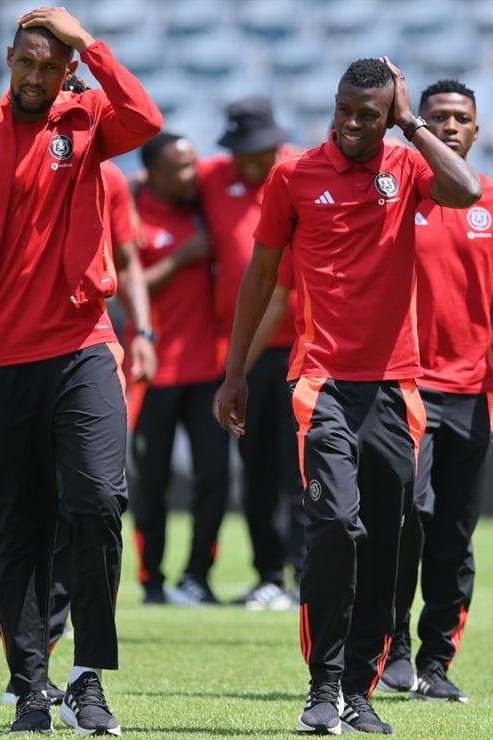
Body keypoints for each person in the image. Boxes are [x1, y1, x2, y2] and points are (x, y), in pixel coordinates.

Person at [214, 57, 481, 735]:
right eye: (344, 110)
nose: (353, 124)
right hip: (322, 380)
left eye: (369, 114)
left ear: (387, 115)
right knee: (335, 525)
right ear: (332, 106)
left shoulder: (408, 165)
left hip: (395, 385)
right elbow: (261, 275)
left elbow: (467, 190)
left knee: (389, 541)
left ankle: (359, 692)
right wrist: (236, 372)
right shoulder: (294, 175)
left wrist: (412, 122)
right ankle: (323, 685)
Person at [0, 7, 161, 735]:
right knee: (17, 524)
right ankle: (30, 686)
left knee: (96, 504)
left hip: (84, 343)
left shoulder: (88, 121)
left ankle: (88, 676)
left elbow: (144, 118)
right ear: (8, 58)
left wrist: (89, 40)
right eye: (23, 61)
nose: (32, 75)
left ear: (68, 71)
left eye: (48, 65)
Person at [378, 80, 493, 702]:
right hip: (404, 386)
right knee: (406, 520)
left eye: (461, 118)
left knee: (454, 531)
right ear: (415, 124)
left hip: (473, 392)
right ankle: (389, 646)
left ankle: (435, 663)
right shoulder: (395, 193)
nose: (449, 126)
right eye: (436, 117)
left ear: (477, 131)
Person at [199, 97, 305, 611]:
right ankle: (269, 575)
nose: (246, 160)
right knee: (256, 468)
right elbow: (161, 179)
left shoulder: (301, 172)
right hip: (249, 352)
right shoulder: (215, 178)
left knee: (304, 470)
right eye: (238, 149)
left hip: (304, 347)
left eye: (254, 150)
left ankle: (308, 572)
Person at [129, 131, 229, 607]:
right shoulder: (132, 213)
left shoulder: (202, 207)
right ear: (153, 174)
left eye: (193, 165)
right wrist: (179, 258)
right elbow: (125, 288)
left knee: (214, 478)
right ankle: (152, 582)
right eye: (180, 168)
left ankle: (198, 576)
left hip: (208, 368)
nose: (192, 175)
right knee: (151, 482)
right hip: (154, 373)